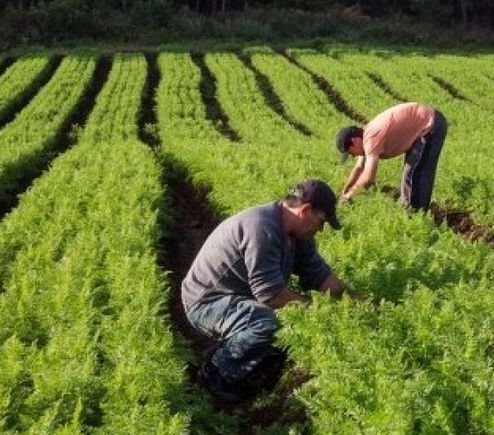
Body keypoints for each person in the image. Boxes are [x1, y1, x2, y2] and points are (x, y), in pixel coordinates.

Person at [181, 179, 353, 404]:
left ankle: (233, 356)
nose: (320, 230)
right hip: (205, 302)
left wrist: (356, 301)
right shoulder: (262, 227)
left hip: (237, 298)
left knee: (280, 323)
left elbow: (320, 276)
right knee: (266, 322)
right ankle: (214, 374)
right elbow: (270, 295)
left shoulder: (298, 236)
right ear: (305, 210)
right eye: (321, 222)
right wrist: (317, 309)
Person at [336, 102, 448, 210]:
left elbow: (369, 178)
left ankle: (415, 214)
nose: (353, 156)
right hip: (424, 122)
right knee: (411, 172)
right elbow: (359, 167)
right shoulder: (365, 137)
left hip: (431, 125)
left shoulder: (371, 139)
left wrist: (349, 196)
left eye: (351, 153)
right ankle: (409, 210)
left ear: (354, 141)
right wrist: (345, 191)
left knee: (415, 173)